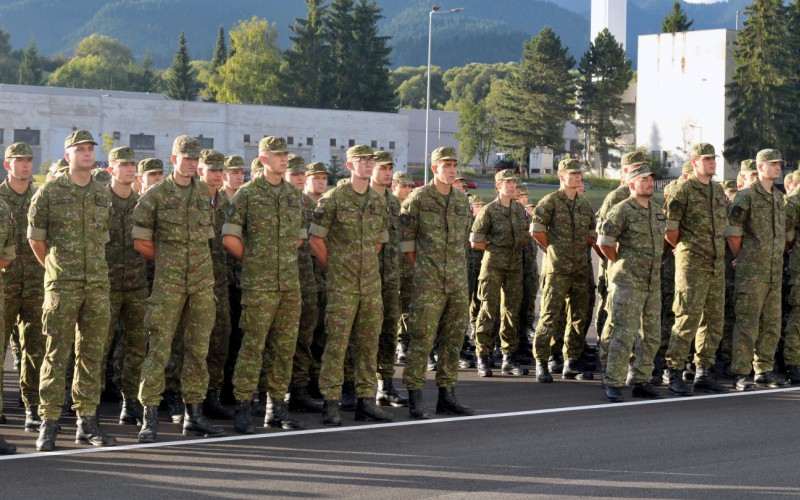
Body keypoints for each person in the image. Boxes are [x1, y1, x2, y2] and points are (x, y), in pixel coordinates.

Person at [28, 130, 116, 451]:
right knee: (56, 354)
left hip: (96, 285)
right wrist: (53, 270)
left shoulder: (102, 193)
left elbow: (102, 237)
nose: (88, 153)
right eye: (80, 149)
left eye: (91, 148)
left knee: (91, 355)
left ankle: (86, 422)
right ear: (68, 156)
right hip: (62, 286)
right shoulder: (49, 192)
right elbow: (36, 240)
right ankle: (49, 423)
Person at [133, 135, 223, 442]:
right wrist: (170, 262)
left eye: (195, 159)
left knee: (198, 350)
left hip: (201, 283)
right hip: (169, 284)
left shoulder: (204, 191)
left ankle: (193, 416)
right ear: (174, 160)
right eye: (186, 158)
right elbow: (141, 241)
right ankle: (149, 417)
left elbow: (206, 234)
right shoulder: (156, 195)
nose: (192, 163)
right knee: (159, 350)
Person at [309, 145, 392, 426]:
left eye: (371, 161)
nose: (368, 165)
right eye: (362, 161)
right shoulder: (334, 199)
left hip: (369, 283)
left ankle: (366, 400)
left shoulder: (377, 201)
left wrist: (363, 263)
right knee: (337, 344)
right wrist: (335, 267)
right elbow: (316, 238)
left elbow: (379, 241)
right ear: (349, 165)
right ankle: (331, 402)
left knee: (368, 344)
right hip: (342, 285)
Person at [400, 146, 474, 419]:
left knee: (454, 339)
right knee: (421, 339)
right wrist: (422, 269)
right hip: (428, 282)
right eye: (446, 165)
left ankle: (447, 394)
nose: (452, 170)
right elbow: (406, 241)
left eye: (455, 165)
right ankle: (415, 396)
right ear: (434, 168)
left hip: (456, 281)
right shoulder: (418, 198)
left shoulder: (459, 199)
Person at [662, 143, 729, 396]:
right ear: (695, 162)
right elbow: (670, 229)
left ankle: (703, 371)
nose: (712, 162)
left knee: (713, 321)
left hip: (715, 263)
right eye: (707, 159)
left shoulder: (717, 189)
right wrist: (684, 248)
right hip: (692, 264)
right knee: (687, 318)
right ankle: (674, 370)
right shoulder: (684, 190)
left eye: (714, 158)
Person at [598, 164, 665, 402]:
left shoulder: (657, 211)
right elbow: (605, 242)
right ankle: (613, 381)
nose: (649, 183)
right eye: (643, 179)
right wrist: (622, 264)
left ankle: (641, 379)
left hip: (652, 283)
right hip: (627, 282)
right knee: (623, 334)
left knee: (651, 335)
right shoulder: (622, 210)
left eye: (650, 179)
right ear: (631, 184)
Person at [726, 149, 790, 390]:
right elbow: (733, 232)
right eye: (773, 164)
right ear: (760, 167)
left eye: (779, 164)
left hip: (773, 271)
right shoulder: (746, 196)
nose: (778, 167)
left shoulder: (777, 197)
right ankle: (741, 372)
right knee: (747, 323)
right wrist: (742, 257)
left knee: (771, 324)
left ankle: (763, 369)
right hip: (752, 272)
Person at [529, 158, 596, 383]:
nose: (577, 177)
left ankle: (571, 361)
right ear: (561, 176)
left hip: (580, 268)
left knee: (578, 317)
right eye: (572, 174)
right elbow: (537, 230)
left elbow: (591, 233)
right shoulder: (550, 202)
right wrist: (553, 249)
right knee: (550, 316)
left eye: (579, 174)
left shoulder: (584, 204)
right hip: (557, 269)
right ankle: (542, 361)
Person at [102, 146, 148, 426]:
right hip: (103, 285)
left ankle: (130, 402)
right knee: (98, 346)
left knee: (136, 346)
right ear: (111, 169)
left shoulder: (143, 203)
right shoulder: (98, 200)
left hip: (136, 284)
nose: (130, 169)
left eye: (133, 165)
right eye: (124, 164)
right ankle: (88, 404)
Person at [1, 142, 44, 433]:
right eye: (19, 160)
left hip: (36, 283)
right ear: (8, 165)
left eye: (29, 160)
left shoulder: (41, 196)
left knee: (35, 348)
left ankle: (31, 406)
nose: (26, 165)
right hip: (4, 282)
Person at [471, 169, 530, 377]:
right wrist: (495, 247)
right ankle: (483, 356)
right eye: (507, 182)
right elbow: (476, 241)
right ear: (498, 186)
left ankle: (508, 357)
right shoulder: (489, 210)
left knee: (511, 312)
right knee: (488, 310)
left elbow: (525, 236)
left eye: (514, 182)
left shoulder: (518, 210)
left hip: (514, 266)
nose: (512, 186)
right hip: (493, 265)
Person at [594, 151, 647, 368]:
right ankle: (607, 356)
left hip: (639, 270)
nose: (642, 172)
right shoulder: (616, 197)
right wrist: (616, 261)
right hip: (618, 267)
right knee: (612, 313)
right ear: (625, 171)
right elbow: (602, 238)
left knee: (637, 317)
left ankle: (633, 359)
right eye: (637, 167)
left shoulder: (645, 196)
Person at [283, 155, 324, 413]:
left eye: (302, 173)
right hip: (277, 277)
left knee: (306, 334)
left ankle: (300, 386)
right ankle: (273, 392)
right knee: (279, 337)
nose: (299, 177)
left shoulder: (309, 206)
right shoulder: (274, 201)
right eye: (294, 173)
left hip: (307, 277)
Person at [196, 149, 234, 420]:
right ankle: (181, 398)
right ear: (201, 171)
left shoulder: (222, 200)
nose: (219, 175)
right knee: (192, 344)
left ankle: (212, 395)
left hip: (219, 281)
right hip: (194, 281)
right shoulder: (192, 198)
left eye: (221, 170)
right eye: (213, 170)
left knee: (220, 340)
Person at [370, 151, 409, 407]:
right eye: (382, 168)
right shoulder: (360, 198)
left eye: (390, 168)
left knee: (387, 331)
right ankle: (353, 386)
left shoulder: (393, 203)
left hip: (391, 277)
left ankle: (385, 385)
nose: (387, 172)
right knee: (361, 334)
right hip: (365, 277)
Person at [392, 171, 415, 363]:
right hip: (391, 265)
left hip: (408, 265)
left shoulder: (412, 209)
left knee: (408, 307)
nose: (407, 190)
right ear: (394, 186)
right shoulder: (388, 207)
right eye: (403, 186)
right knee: (391, 306)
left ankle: (403, 343)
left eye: (409, 187)